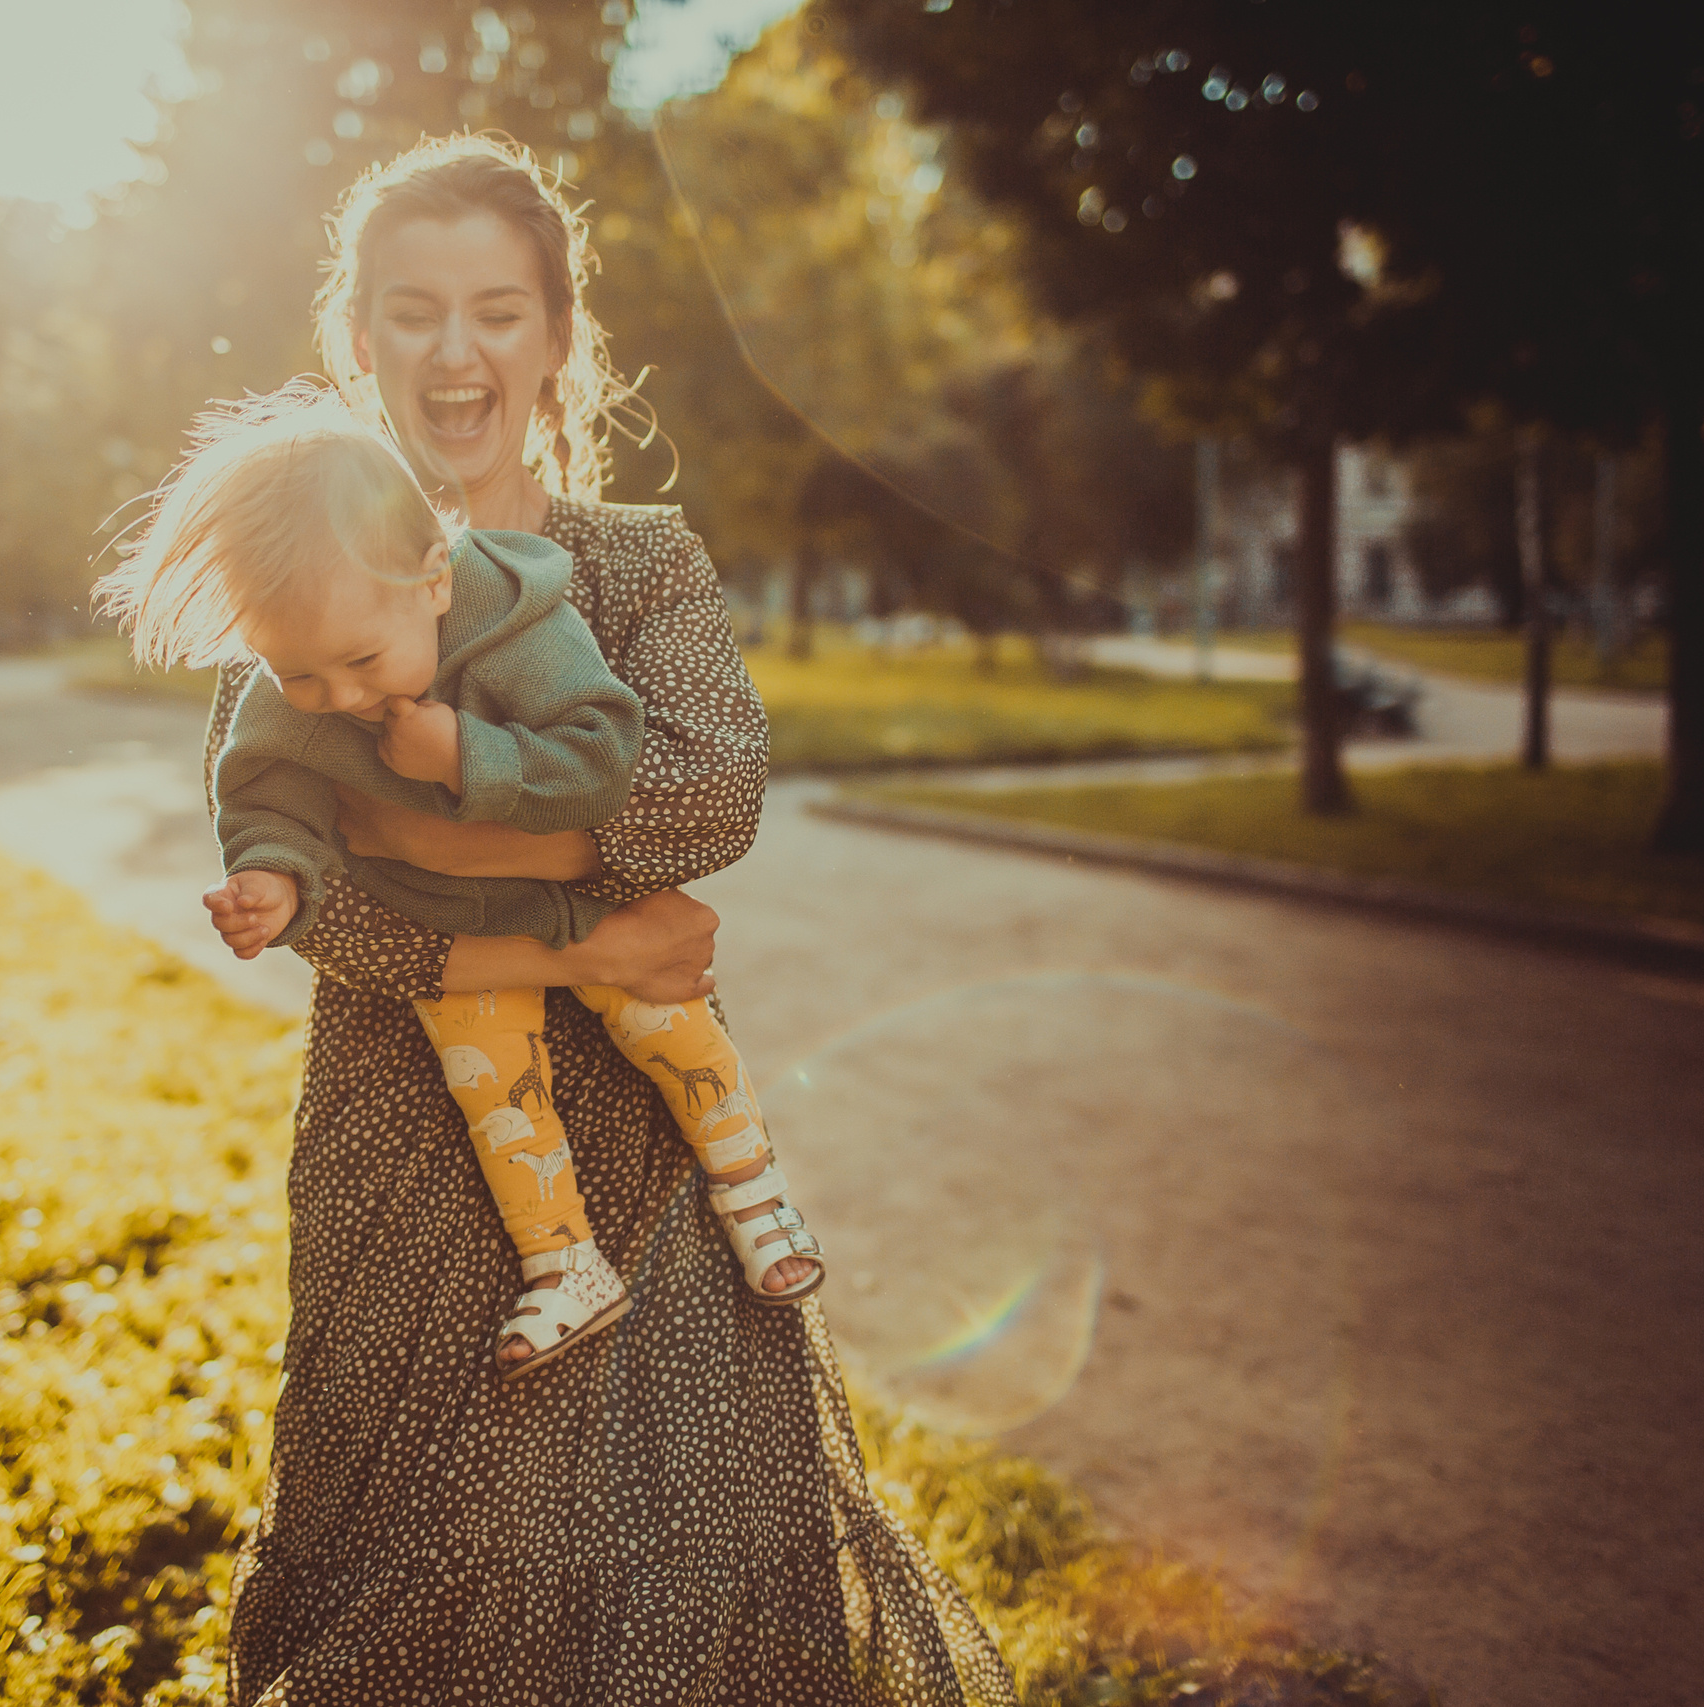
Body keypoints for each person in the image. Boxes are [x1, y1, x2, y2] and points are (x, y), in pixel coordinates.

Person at [209, 133, 1012, 1702]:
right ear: (356, 338)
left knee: (693, 1569)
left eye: (499, 309)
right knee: (429, 1576)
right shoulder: (294, 574)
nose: (458, 351)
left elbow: (709, 793)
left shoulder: (638, 562)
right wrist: (594, 935)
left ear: (559, 337)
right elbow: (343, 924)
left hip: (656, 1158)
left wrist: (416, 821)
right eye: (414, 310)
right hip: (406, 1148)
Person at [94, 382, 821, 1377]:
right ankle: (565, 1262)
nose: (337, 699)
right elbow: (267, 792)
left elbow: (603, 753)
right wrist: (272, 875)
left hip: (582, 901)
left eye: (358, 661)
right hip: (452, 939)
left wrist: (465, 758)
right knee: (493, 1087)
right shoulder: (297, 666)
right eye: (300, 677)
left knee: (671, 1026)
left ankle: (752, 1185)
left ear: (433, 580)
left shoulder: (519, 621)